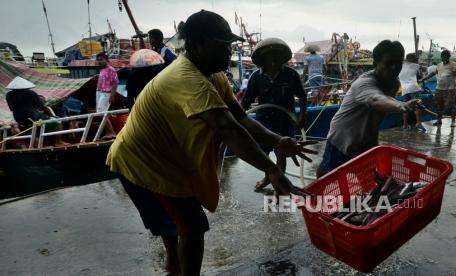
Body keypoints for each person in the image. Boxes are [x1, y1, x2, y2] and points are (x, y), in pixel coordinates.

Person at [106, 10, 316, 276]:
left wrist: (278, 141)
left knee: (175, 222)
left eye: (231, 45)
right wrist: (272, 169)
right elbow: (227, 129)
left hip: (169, 158)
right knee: (192, 225)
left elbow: (240, 118)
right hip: (142, 161)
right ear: (197, 45)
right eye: (222, 45)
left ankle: (174, 267)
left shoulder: (213, 74)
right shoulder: (187, 78)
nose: (229, 52)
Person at [317, 40, 420, 178]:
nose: (394, 68)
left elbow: (377, 111)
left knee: (365, 182)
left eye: (398, 63)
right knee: (328, 177)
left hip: (366, 141)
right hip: (343, 140)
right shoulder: (364, 83)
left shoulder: (394, 83)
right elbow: (375, 99)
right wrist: (400, 105)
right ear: (375, 64)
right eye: (389, 64)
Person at [241, 37, 307, 191]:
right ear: (262, 59)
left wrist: (302, 117)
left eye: (277, 55)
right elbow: (246, 101)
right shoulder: (256, 77)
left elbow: (302, 96)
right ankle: (267, 177)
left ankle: (280, 183)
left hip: (285, 121)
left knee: (281, 153)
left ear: (282, 58)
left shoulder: (291, 75)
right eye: (269, 56)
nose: (273, 59)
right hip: (264, 122)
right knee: (264, 154)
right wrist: (237, 120)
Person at [5, 76, 68, 146]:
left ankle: (38, 145)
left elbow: (11, 109)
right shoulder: (30, 93)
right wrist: (53, 116)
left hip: (20, 120)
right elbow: (43, 107)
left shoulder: (8, 95)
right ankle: (58, 142)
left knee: (33, 133)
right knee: (58, 121)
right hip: (34, 117)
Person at [420, 50, 456, 127]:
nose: (444, 57)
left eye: (446, 56)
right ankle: (439, 120)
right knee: (439, 105)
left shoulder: (454, 65)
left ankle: (453, 121)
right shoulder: (439, 65)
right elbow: (433, 73)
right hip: (439, 88)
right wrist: (423, 79)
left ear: (449, 57)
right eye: (442, 56)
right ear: (441, 57)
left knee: (451, 105)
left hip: (450, 89)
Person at [399, 53, 426, 131]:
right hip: (414, 88)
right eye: (415, 59)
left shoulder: (400, 67)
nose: (416, 60)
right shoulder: (416, 66)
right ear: (413, 60)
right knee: (417, 107)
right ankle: (419, 123)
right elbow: (423, 71)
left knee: (405, 107)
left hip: (404, 90)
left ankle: (405, 125)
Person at [96, 52, 117, 139]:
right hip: (99, 92)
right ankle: (108, 132)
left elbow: (115, 82)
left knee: (102, 112)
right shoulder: (102, 70)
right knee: (101, 113)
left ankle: (111, 132)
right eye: (98, 60)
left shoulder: (111, 69)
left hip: (106, 93)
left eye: (101, 60)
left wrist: (112, 95)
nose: (99, 62)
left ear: (107, 60)